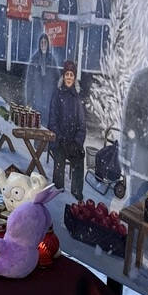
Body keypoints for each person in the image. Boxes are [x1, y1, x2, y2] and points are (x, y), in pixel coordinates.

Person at [121, 27, 148, 203]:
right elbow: (129, 123)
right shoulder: (142, 79)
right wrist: (125, 159)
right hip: (142, 164)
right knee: (135, 213)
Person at [47, 59, 86, 200]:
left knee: (79, 156)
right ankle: (58, 192)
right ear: (63, 76)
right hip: (59, 141)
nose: (69, 77)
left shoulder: (77, 97)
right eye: (67, 74)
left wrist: (77, 143)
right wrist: (61, 139)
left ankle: (77, 194)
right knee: (60, 158)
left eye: (72, 74)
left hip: (72, 142)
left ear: (75, 77)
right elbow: (52, 121)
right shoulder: (57, 94)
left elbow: (82, 125)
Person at [25, 33, 57, 119]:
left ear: (48, 44)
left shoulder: (52, 59)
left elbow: (56, 81)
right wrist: (29, 101)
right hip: (37, 96)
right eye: (41, 43)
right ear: (39, 44)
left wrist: (56, 102)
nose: (43, 45)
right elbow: (29, 82)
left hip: (48, 98)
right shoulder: (34, 59)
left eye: (45, 43)